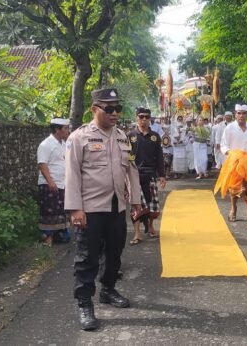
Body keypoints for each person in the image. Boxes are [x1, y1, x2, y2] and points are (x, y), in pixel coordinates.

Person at [64, 87, 142, 331]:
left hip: (117, 206)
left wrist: (137, 201)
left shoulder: (121, 137)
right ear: (95, 109)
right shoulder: (79, 137)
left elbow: (131, 170)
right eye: (109, 109)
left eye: (117, 108)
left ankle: (108, 290)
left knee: (115, 254)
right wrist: (76, 209)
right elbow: (72, 175)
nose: (115, 113)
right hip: (90, 208)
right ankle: (85, 303)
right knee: (87, 258)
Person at [216, 104, 247, 232]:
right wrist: (232, 155)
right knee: (234, 189)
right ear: (235, 114)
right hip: (234, 164)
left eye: (243, 113)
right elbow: (223, 146)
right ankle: (233, 207)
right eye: (239, 113)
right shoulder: (229, 128)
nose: (241, 115)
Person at [127, 107, 167, 245]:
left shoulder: (155, 136)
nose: (144, 119)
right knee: (135, 204)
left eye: (146, 117)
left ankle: (150, 225)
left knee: (152, 204)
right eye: (141, 117)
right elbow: (126, 157)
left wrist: (162, 175)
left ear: (150, 119)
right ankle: (137, 233)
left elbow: (159, 157)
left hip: (150, 175)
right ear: (136, 117)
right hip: (134, 175)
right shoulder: (130, 136)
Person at [37, 117, 71, 246]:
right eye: (66, 128)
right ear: (57, 129)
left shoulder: (62, 144)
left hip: (61, 183)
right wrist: (50, 182)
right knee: (49, 210)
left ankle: (60, 235)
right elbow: (42, 164)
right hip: (49, 184)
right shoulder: (46, 144)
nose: (68, 131)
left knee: (60, 210)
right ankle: (47, 238)